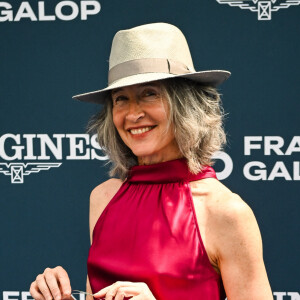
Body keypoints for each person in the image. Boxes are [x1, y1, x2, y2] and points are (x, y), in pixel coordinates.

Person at [30, 23, 273, 300]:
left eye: (149, 94)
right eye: (121, 99)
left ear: (185, 104)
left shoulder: (226, 212)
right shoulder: (103, 197)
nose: (133, 114)